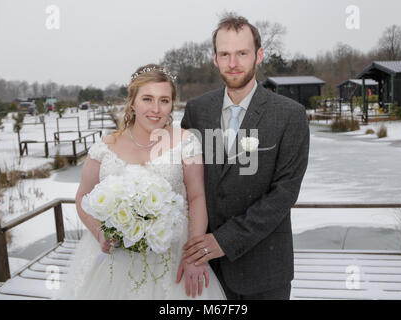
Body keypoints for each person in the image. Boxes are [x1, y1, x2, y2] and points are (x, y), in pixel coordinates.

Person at [58, 64, 226, 299]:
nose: (156, 109)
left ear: (172, 104)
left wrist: (193, 256)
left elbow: (197, 198)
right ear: (133, 102)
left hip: (171, 255)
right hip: (114, 258)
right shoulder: (105, 146)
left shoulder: (186, 142)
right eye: (147, 99)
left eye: (164, 100)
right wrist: (100, 233)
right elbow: (82, 198)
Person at [180, 14, 309, 300]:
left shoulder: (290, 115)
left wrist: (225, 240)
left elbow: (284, 193)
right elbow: (187, 182)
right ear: (214, 58)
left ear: (258, 55)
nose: (233, 63)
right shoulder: (197, 110)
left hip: (264, 270)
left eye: (242, 53)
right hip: (204, 269)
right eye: (225, 54)